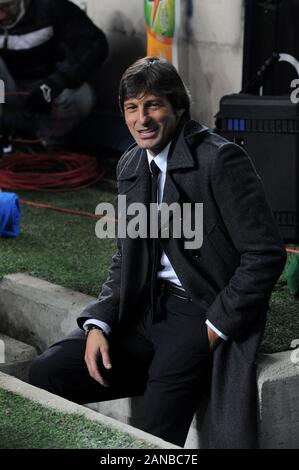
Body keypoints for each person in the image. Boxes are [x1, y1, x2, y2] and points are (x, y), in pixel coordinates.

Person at [29, 57, 286, 448]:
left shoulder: (220, 160)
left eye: (153, 105)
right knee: (48, 373)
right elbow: (124, 259)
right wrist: (99, 323)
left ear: (178, 108)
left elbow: (265, 254)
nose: (142, 118)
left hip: (196, 315)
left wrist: (214, 328)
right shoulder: (131, 163)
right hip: (141, 311)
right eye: (132, 108)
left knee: (150, 441)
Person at [0, 0, 108, 149]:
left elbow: (94, 45)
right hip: (6, 92)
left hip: (50, 86)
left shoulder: (51, 7)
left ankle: (50, 143)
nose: (2, 15)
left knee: (82, 98)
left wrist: (56, 82)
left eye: (6, 6)